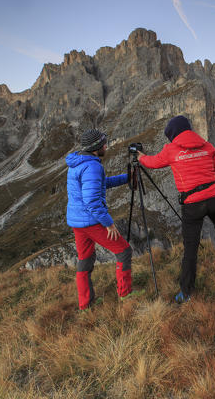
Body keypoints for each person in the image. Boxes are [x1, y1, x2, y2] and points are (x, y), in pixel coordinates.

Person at [137, 115, 215, 303]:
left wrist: (140, 157)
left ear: (173, 134)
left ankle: (186, 291)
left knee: (191, 247)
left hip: (192, 203)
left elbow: (153, 163)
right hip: (214, 197)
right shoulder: (208, 146)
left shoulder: (171, 150)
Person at [66, 128, 139, 310]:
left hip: (77, 222)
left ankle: (86, 304)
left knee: (85, 259)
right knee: (123, 251)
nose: (106, 146)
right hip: (91, 221)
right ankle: (125, 294)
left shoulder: (77, 162)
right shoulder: (92, 166)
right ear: (96, 147)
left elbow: (98, 184)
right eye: (104, 143)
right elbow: (92, 201)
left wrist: (126, 178)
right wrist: (109, 223)